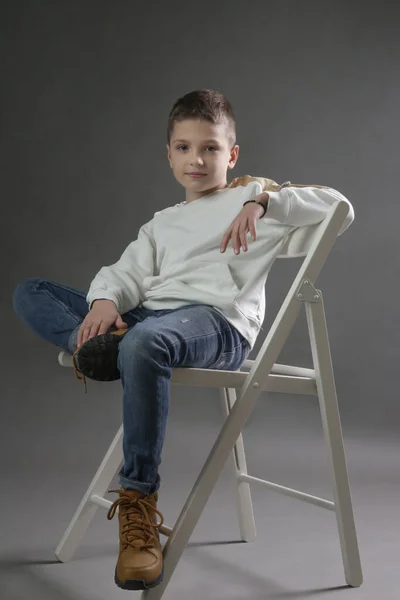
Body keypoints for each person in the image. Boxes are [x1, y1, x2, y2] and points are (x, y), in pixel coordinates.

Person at [12, 88, 355, 591]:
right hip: (148, 317)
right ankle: (101, 344)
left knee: (143, 343)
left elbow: (339, 207)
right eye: (184, 147)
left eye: (211, 148)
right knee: (32, 291)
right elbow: (123, 273)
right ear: (169, 154)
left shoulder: (254, 196)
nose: (197, 159)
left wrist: (264, 201)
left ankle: (139, 506)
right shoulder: (162, 223)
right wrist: (105, 302)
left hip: (215, 323)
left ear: (231, 154)